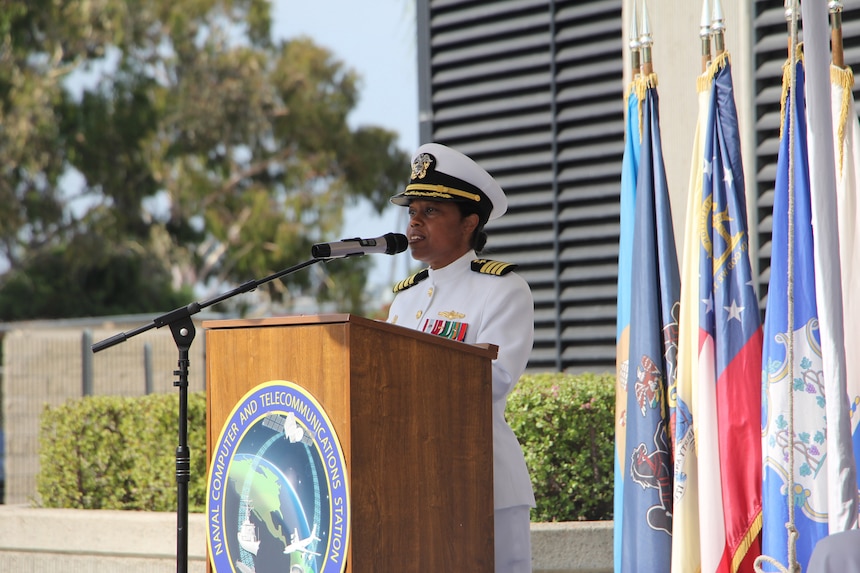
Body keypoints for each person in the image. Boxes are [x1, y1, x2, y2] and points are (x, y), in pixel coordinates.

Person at [386, 142, 536, 573]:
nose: (414, 221)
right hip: (414, 483)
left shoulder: (503, 289)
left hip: (484, 484)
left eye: (430, 211)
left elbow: (494, 379)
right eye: (412, 211)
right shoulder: (405, 299)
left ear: (469, 222)